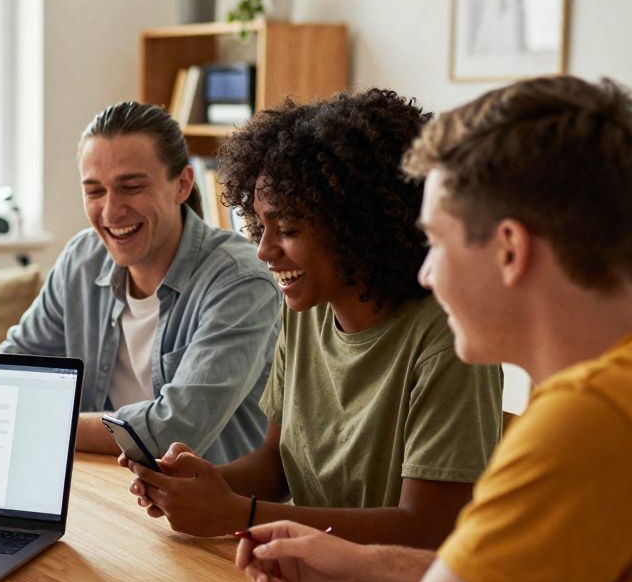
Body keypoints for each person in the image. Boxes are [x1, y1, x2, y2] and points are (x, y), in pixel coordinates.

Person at [235, 75, 632, 582]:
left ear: (509, 250)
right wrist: (364, 564)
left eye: (438, 243)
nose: (423, 271)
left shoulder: (586, 421)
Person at [126, 89, 503, 548]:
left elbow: (426, 528)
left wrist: (237, 514)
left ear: (356, 228)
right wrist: (195, 485)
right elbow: (277, 464)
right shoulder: (305, 312)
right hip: (307, 570)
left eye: (286, 229)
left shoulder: (447, 341)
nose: (263, 250)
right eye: (258, 226)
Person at [0, 101, 280, 462]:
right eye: (95, 191)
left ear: (182, 184)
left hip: (207, 496)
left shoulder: (241, 281)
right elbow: (10, 379)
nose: (111, 211)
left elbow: (173, 431)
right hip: (104, 482)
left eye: (131, 187)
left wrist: (46, 421)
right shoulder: (81, 260)